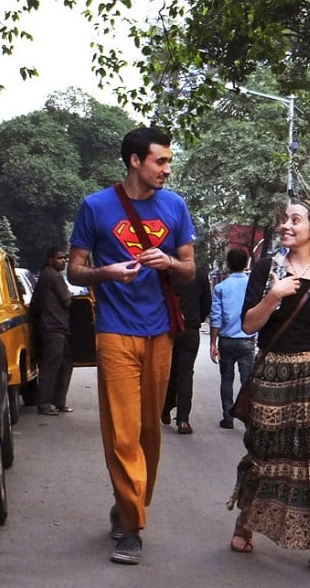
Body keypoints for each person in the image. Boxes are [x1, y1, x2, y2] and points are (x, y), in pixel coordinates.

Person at [68, 127, 196, 566]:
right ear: (135, 161)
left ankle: (128, 503)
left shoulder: (176, 206)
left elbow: (190, 270)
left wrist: (170, 262)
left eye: (169, 161)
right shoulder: (94, 206)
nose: (167, 169)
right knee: (122, 433)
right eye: (161, 161)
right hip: (115, 331)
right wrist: (107, 274)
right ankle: (132, 526)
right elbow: (75, 271)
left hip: (160, 331)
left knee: (148, 432)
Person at [228, 200, 310, 576]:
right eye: (284, 219)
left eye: (295, 220)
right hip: (274, 376)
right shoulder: (266, 270)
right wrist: (274, 295)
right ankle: (244, 524)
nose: (286, 225)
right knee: (264, 456)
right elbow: (248, 325)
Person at [209, 248, 256, 430]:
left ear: (228, 264)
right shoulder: (253, 285)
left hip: (226, 340)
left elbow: (216, 317)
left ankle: (228, 417)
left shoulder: (221, 288)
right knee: (247, 381)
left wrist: (213, 342)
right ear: (246, 264)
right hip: (247, 340)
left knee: (226, 379)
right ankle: (248, 418)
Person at [162, 266, 211, 433]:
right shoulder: (200, 274)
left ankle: (165, 408)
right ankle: (183, 420)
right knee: (186, 373)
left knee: (168, 371)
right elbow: (207, 303)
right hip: (190, 330)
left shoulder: (167, 271)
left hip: (168, 329)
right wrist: (196, 320)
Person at [31, 247, 72, 415]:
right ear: (50, 259)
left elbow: (36, 304)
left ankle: (58, 401)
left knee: (64, 364)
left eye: (64, 258)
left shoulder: (45, 275)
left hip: (53, 327)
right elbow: (67, 301)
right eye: (59, 258)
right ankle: (46, 403)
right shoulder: (54, 276)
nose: (63, 261)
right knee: (52, 366)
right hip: (55, 328)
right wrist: (69, 293)